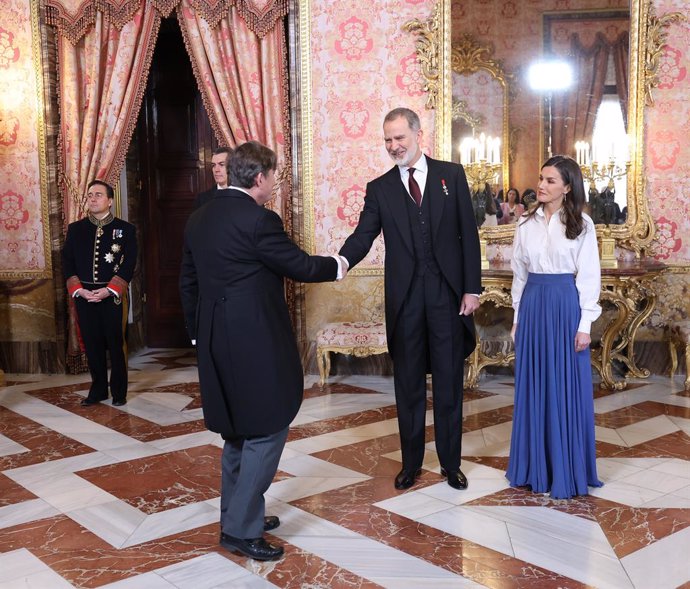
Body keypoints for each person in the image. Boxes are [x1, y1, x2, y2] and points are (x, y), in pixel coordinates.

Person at [179, 141, 345, 561]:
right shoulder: (259, 220)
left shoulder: (199, 218)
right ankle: (240, 530)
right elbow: (302, 267)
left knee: (237, 430)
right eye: (273, 177)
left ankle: (237, 512)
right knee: (267, 428)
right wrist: (341, 263)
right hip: (253, 340)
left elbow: (188, 282)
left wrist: (199, 334)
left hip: (214, 337)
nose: (275, 184)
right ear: (258, 179)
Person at [339, 107, 481, 491]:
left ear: (418, 134)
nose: (393, 146)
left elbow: (468, 234)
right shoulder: (380, 188)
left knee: (450, 383)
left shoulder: (451, 175)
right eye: (387, 139)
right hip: (405, 300)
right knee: (408, 385)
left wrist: (473, 288)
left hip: (448, 295)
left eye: (399, 137)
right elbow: (363, 235)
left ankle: (451, 464)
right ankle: (411, 464)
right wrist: (341, 260)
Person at [506, 155, 603, 499]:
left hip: (565, 307)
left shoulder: (583, 224)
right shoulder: (524, 223)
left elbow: (590, 276)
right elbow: (519, 276)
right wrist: (517, 319)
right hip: (533, 305)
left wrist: (585, 324)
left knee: (565, 386)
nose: (541, 186)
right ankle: (534, 468)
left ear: (567, 186)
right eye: (541, 178)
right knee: (533, 385)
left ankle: (567, 468)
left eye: (550, 181)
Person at [62, 180, 138, 407]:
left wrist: (109, 289)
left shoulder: (125, 229)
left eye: (98, 195)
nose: (92, 199)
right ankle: (97, 390)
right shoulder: (76, 229)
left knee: (116, 344)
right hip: (85, 296)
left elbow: (130, 264)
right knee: (92, 344)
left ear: (110, 201)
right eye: (90, 195)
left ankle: (119, 391)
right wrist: (79, 291)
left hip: (112, 297)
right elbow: (67, 262)